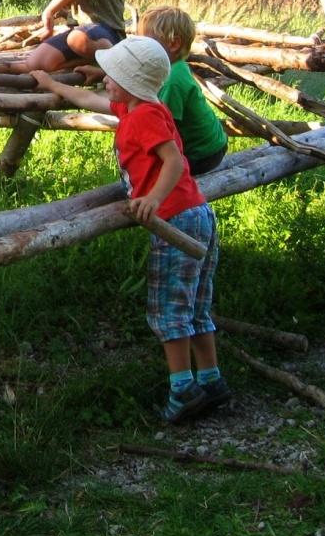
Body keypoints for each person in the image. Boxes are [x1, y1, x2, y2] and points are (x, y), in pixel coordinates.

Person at [31, 36, 228, 422]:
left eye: (113, 74)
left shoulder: (145, 117)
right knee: (197, 306)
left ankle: (183, 390)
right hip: (197, 213)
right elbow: (93, 101)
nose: (106, 79)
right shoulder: (143, 106)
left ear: (132, 83)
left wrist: (153, 198)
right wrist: (55, 85)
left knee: (169, 310)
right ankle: (211, 378)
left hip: (175, 218)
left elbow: (172, 161)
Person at [139, 5, 229, 176]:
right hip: (214, 145)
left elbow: (162, 127)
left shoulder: (173, 80)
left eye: (146, 42)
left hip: (202, 154)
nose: (141, 47)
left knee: (148, 166)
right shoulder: (173, 66)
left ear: (173, 44)